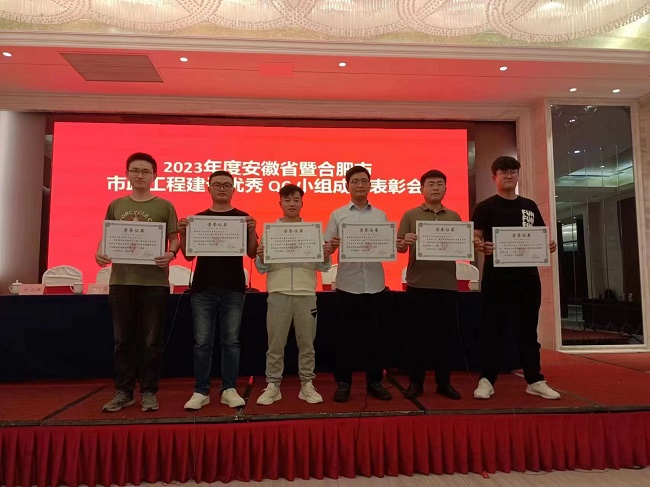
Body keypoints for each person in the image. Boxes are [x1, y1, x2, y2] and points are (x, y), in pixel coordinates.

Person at [96, 152, 179, 413]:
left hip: (155, 282)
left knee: (152, 341)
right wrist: (99, 252)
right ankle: (124, 391)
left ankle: (149, 392)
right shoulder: (116, 204)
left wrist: (171, 253)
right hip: (122, 280)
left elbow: (174, 238)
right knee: (123, 340)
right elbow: (107, 236)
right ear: (127, 174)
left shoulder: (165, 205)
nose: (140, 175)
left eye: (145, 171)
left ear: (155, 175)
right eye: (135, 170)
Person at [472, 156, 560, 400]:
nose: (509, 175)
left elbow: (539, 237)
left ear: (518, 175)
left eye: (513, 171)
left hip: (527, 278)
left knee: (528, 331)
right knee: (491, 330)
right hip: (496, 278)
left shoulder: (529, 206)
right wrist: (479, 245)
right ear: (494, 177)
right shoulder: (485, 207)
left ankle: (534, 379)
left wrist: (548, 245)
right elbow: (475, 237)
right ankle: (486, 380)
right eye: (503, 172)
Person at [179, 170, 258, 410]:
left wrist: (252, 230)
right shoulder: (198, 219)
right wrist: (183, 232)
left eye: (226, 185)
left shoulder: (242, 218)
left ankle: (229, 388)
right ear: (209, 188)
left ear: (234, 189)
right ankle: (201, 390)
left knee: (231, 341)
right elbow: (188, 255)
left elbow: (252, 253)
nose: (222, 188)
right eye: (217, 185)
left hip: (233, 287)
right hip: (203, 288)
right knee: (202, 343)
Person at [255, 184, 332, 405]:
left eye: (296, 200)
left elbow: (323, 267)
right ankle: (273, 385)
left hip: (305, 293)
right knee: (275, 344)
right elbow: (261, 268)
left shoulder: (312, 232)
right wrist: (261, 256)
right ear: (280, 203)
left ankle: (307, 384)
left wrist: (326, 255)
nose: (291, 204)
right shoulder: (271, 232)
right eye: (287, 200)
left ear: (302, 203)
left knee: (307, 343)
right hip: (278, 293)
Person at [324, 165, 392, 402]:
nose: (360, 185)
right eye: (355, 181)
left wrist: (394, 244)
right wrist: (331, 245)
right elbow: (326, 248)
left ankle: (375, 382)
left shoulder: (380, 215)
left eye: (364, 181)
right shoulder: (338, 215)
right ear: (347, 186)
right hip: (347, 284)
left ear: (370, 185)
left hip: (375, 284)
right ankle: (344, 383)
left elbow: (388, 246)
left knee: (375, 338)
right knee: (345, 339)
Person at [397, 169, 462, 400]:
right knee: (417, 337)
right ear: (421, 189)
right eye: (431, 184)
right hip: (419, 284)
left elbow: (461, 246)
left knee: (445, 338)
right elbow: (399, 248)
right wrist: (404, 242)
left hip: (447, 285)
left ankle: (444, 383)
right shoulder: (410, 215)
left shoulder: (454, 217)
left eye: (439, 184)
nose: (435, 188)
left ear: (446, 188)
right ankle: (416, 382)